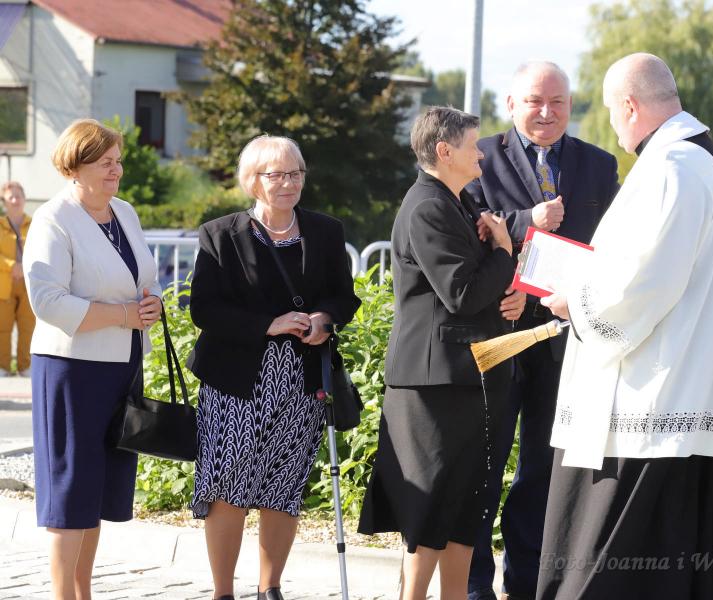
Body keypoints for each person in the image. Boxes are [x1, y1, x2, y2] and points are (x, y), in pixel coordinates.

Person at [535, 53, 713, 600]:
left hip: (649, 404)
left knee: (607, 572)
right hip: (687, 394)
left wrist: (577, 304)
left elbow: (643, 283)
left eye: (611, 111)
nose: (612, 125)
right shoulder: (707, 161)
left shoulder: (671, 167)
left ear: (630, 105)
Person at [465, 61, 619, 600]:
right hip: (498, 332)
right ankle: (474, 583)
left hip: (566, 339)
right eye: (534, 101)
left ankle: (528, 583)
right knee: (484, 463)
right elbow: (464, 232)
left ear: (571, 105)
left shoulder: (598, 164)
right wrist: (525, 221)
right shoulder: (478, 157)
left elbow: (614, 245)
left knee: (543, 469)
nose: (547, 112)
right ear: (511, 104)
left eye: (557, 102)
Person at [358, 106, 525, 600]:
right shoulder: (428, 206)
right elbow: (462, 294)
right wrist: (503, 252)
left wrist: (506, 277)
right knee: (430, 508)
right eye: (474, 146)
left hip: (467, 377)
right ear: (444, 151)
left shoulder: (459, 200)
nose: (482, 154)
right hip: (434, 384)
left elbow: (477, 287)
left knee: (465, 506)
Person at [186, 134, 361, 600]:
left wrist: (324, 320)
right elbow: (204, 309)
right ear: (253, 180)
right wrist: (268, 324)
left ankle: (270, 589)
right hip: (236, 383)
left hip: (301, 382)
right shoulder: (220, 234)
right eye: (276, 174)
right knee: (228, 485)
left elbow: (344, 297)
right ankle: (223, 592)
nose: (289, 183)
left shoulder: (325, 231)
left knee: (284, 486)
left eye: (296, 173)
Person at [23, 118, 162, 600]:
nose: (116, 170)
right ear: (74, 166)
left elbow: (144, 278)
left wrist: (152, 303)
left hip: (123, 366)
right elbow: (48, 301)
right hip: (71, 370)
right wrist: (124, 314)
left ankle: (83, 592)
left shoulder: (125, 212)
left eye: (118, 161)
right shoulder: (53, 218)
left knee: (97, 489)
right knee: (70, 489)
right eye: (105, 162)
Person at [0, 181, 35, 377]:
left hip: (29, 284)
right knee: (2, 328)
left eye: (18, 196)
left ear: (24, 199)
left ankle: (25, 366)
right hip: (3, 284)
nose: (15, 200)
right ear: (4, 202)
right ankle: (3, 367)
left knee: (27, 326)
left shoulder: (36, 224)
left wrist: (24, 266)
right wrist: (11, 265)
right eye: (10, 197)